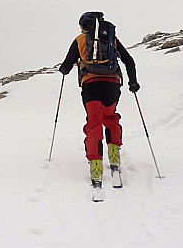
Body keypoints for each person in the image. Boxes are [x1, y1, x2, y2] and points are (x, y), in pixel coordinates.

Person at [58, 12, 140, 189]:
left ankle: (96, 164)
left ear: (84, 26)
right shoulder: (112, 39)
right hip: (112, 85)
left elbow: (66, 65)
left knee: (94, 121)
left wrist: (63, 70)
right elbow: (129, 61)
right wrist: (133, 82)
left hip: (91, 86)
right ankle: (114, 153)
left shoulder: (80, 40)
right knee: (110, 117)